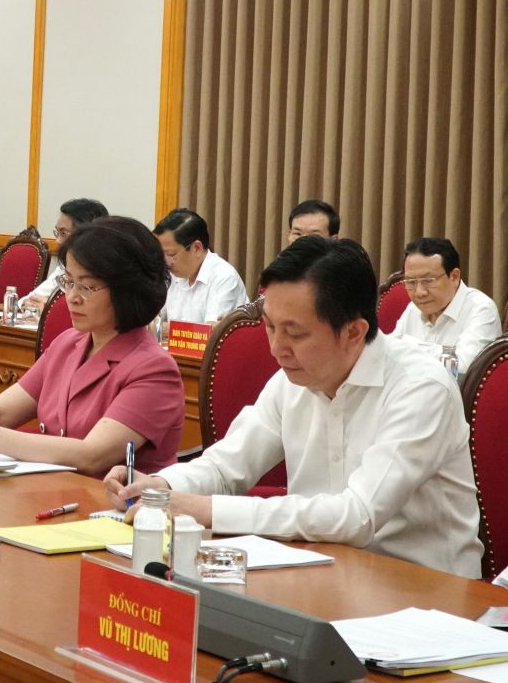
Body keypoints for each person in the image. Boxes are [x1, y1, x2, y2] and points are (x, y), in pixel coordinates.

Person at [104, 236, 485, 579]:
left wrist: (205, 509)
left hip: (425, 593)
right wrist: (163, 487)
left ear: (354, 332)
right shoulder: (292, 381)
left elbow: (358, 516)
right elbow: (226, 466)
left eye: (295, 333)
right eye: (270, 327)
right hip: (320, 572)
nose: (276, 348)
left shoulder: (421, 388)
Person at [0, 217, 184, 476]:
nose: (72, 297)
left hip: (110, 501)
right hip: (49, 491)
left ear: (129, 290)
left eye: (87, 287)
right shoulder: (68, 344)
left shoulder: (154, 369)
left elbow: (92, 455)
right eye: (69, 282)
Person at [389, 236, 502, 371]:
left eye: (428, 281)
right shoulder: (414, 308)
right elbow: (388, 354)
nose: (419, 292)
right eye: (411, 282)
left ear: (454, 276)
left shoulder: (481, 308)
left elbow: (461, 368)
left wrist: (409, 347)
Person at [154, 207, 249, 324]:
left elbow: (210, 331)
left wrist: (162, 329)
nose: (166, 262)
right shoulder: (173, 275)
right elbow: (152, 318)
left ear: (197, 248)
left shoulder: (224, 277)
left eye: (170, 254)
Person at [22, 198, 108, 308]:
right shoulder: (65, 267)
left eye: (63, 233)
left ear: (85, 235)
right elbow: (27, 300)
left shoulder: (104, 273)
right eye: (57, 233)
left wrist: (51, 308)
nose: (57, 241)